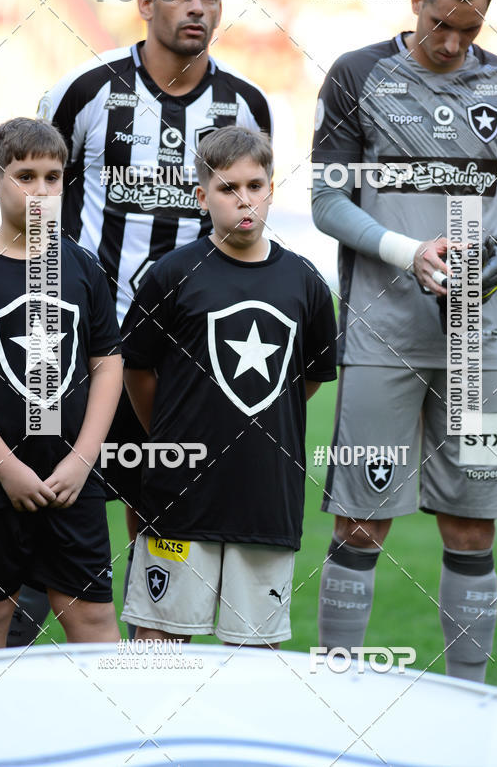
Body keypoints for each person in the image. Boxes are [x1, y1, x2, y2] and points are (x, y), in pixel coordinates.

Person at [8, 0, 273, 645]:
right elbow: (36, 210)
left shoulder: (244, 105)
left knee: (165, 525)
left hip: (183, 360)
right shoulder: (84, 92)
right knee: (44, 513)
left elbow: (245, 232)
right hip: (75, 353)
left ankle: (148, 693)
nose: (197, 5)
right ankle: (3, 689)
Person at [312, 0, 497, 681]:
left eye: (469, 31)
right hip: (381, 336)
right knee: (361, 520)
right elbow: (325, 201)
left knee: (472, 524)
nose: (451, 43)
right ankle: (340, 690)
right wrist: (405, 251)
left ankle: (467, 703)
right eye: (441, 23)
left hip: (474, 346)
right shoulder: (359, 75)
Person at [120, 126, 336, 646]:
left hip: (266, 498)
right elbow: (138, 371)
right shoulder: (171, 274)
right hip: (180, 494)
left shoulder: (305, 282)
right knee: (159, 640)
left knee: (255, 656)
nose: (244, 199)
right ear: (201, 196)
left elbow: (304, 381)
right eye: (227, 188)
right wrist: (172, 434)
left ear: (271, 188)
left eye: (255, 185)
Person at [0, 117, 122, 651]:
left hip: (72, 479)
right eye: (25, 176)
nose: (41, 190)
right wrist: (6, 469)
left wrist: (82, 460)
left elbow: (107, 364)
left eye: (53, 177)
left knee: (92, 619)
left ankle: (117, 735)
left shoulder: (82, 268)